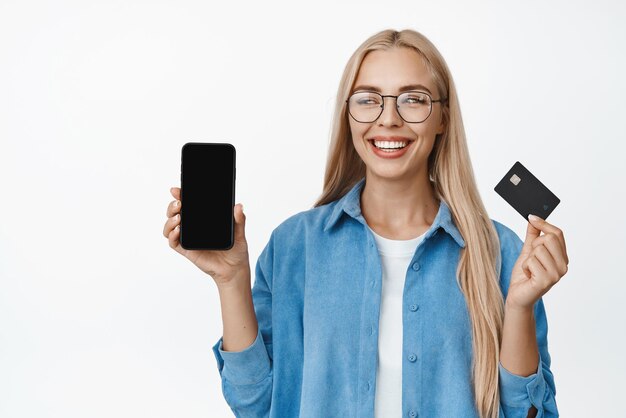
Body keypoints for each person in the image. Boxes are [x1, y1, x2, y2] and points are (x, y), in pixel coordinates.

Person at [162, 28, 567, 418]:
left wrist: (518, 307)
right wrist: (231, 281)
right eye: (368, 99)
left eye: (413, 99)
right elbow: (257, 405)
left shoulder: (500, 251)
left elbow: (528, 414)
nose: (388, 118)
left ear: (443, 118)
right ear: (348, 116)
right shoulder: (295, 246)